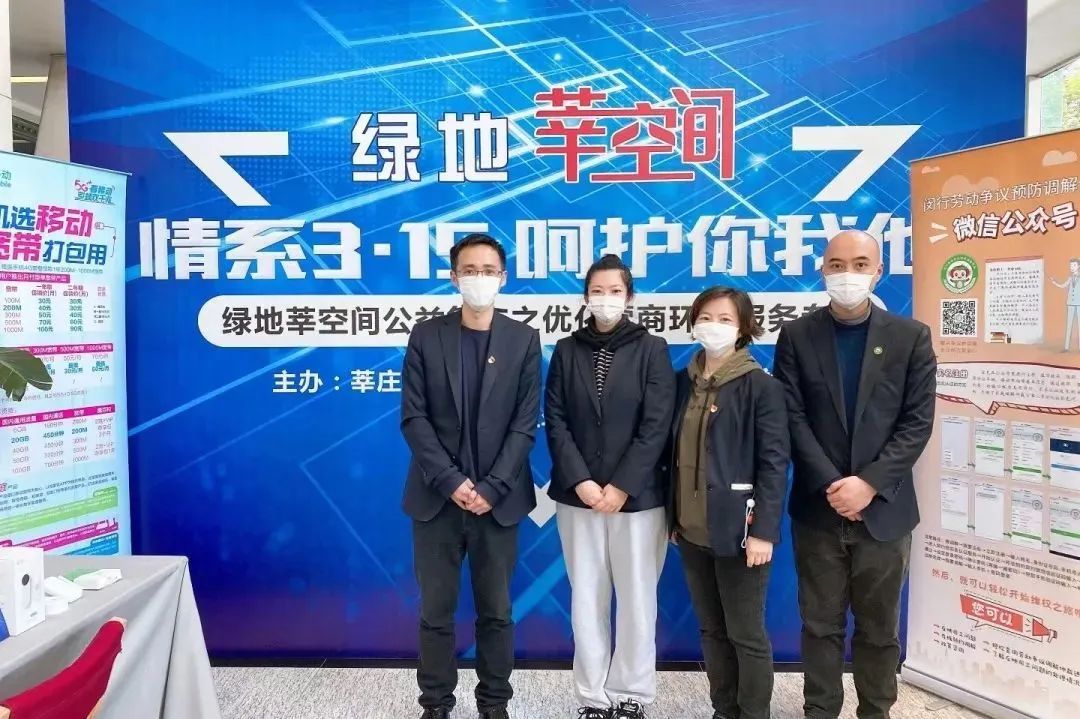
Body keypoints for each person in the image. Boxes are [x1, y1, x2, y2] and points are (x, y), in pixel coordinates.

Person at [773, 230, 936, 719]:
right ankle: (820, 710)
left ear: (878, 271)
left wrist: (868, 485)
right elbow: (792, 417)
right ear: (822, 270)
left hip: (885, 510)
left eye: (861, 264)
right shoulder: (797, 336)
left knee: (879, 629)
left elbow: (916, 423)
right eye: (837, 265)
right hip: (818, 509)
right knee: (819, 626)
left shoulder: (910, 337)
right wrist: (834, 485)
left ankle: (875, 711)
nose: (848, 274)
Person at [400, 233, 541, 719]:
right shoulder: (427, 336)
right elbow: (414, 418)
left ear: (503, 278)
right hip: (436, 500)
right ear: (453, 277)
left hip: (498, 503)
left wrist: (493, 486)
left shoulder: (523, 339)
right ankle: (435, 703)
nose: (479, 278)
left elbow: (525, 423)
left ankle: (494, 704)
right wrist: (451, 481)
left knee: (496, 612)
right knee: (435, 612)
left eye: (488, 270)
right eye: (469, 270)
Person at [545, 255, 676, 719]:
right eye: (597, 291)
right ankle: (593, 697)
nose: (606, 299)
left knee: (638, 598)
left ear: (629, 296)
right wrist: (581, 481)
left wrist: (621, 486)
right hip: (577, 496)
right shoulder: (567, 350)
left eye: (615, 291)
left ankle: (631, 694)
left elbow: (657, 425)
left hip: (637, 499)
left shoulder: (652, 349)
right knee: (587, 598)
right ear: (586, 297)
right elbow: (556, 421)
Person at [668, 287, 789, 719]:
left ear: (743, 328)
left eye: (725, 319)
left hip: (741, 533)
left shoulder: (761, 386)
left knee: (746, 634)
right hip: (691, 530)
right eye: (705, 317)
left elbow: (774, 464)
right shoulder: (682, 382)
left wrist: (764, 532)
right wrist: (673, 518)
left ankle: (753, 712)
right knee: (712, 630)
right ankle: (724, 709)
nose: (713, 326)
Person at [1051, 258, 1080, 351]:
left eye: (1074, 265)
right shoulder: (1070, 278)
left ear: (1078, 266)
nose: (1072, 267)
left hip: (1079, 304)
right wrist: (1054, 282)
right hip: (1070, 303)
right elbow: (1063, 285)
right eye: (1071, 265)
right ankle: (1066, 347)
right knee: (1069, 325)